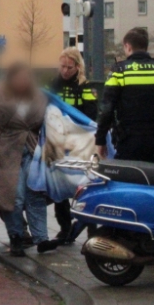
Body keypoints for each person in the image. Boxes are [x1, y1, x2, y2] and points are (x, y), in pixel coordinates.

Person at [0, 62, 57, 256]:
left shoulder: (38, 95)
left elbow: (55, 114)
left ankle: (42, 239)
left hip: (32, 151)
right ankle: (16, 236)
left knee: (35, 195)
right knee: (13, 198)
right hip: (5, 152)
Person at [95, 28, 154, 163]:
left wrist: (100, 140)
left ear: (127, 47)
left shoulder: (119, 71)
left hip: (128, 140)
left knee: (129, 179)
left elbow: (106, 110)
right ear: (146, 47)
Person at [47, 47, 97, 243]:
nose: (65, 71)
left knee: (86, 185)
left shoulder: (87, 86)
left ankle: (91, 229)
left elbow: (91, 115)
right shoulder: (53, 84)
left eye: (69, 67)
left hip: (81, 142)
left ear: (78, 66)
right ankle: (65, 228)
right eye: (62, 66)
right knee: (60, 188)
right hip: (59, 141)